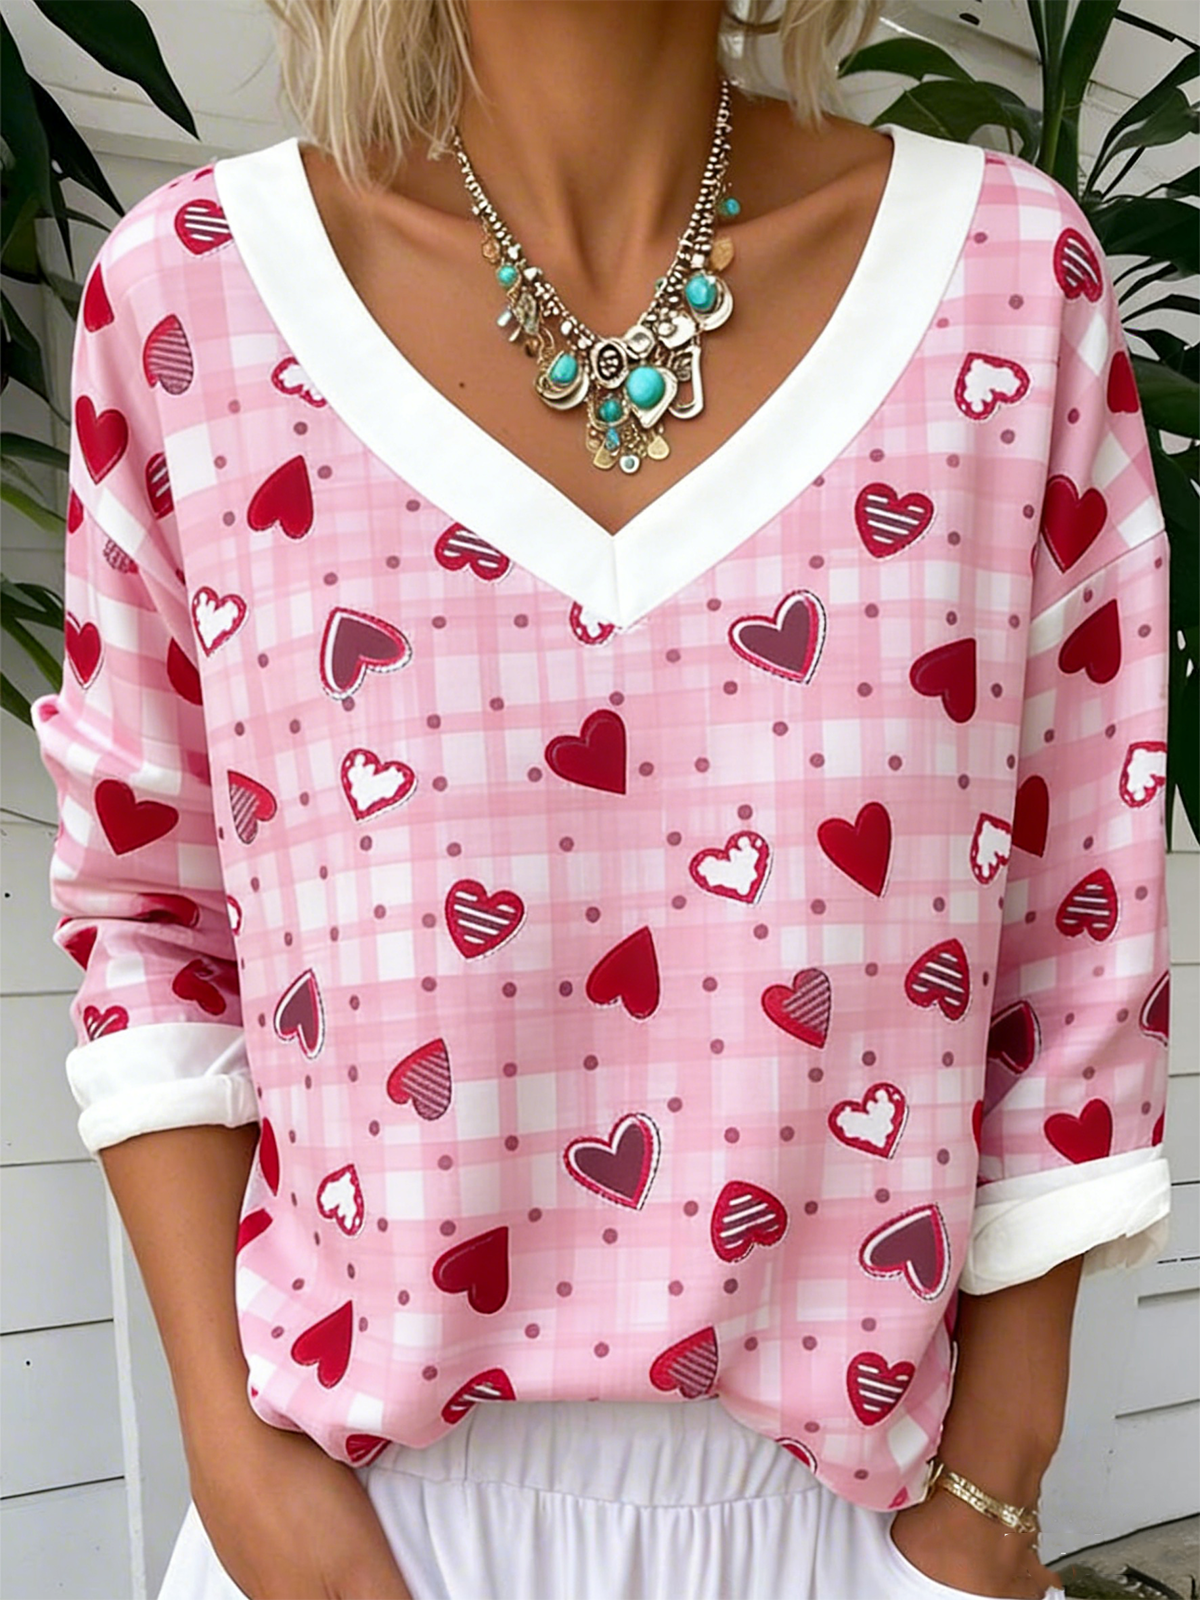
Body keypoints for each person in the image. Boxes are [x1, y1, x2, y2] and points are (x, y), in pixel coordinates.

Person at [31, 1, 1174, 1597]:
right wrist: (249, 1481)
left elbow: (1077, 936)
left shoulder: (1003, 284)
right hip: (359, 1531)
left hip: (860, 1534)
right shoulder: (193, 298)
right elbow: (152, 922)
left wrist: (992, 1499)